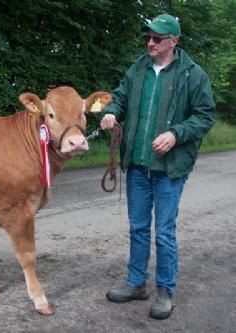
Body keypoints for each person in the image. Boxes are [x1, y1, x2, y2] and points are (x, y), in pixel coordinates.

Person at [100, 13, 216, 320]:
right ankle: (136, 283)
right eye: (147, 37)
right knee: (138, 228)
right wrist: (111, 112)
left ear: (173, 41)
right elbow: (121, 97)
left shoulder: (193, 75)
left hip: (169, 168)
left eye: (156, 38)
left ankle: (165, 291)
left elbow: (205, 117)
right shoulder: (138, 68)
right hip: (137, 164)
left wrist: (176, 134)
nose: (149, 43)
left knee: (164, 232)